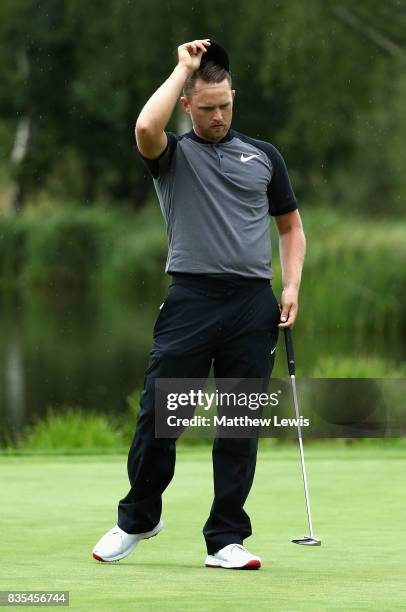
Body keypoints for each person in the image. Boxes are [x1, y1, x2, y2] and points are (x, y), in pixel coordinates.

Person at [92, 39, 306, 570]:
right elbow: (144, 129)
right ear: (187, 105)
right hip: (191, 298)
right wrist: (182, 68)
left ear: (235, 97)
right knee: (160, 417)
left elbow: (291, 228)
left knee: (238, 425)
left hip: (252, 304)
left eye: (225, 105)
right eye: (206, 107)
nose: (217, 116)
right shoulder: (173, 155)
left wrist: (291, 285)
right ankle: (138, 518)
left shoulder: (264, 156)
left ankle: (226, 538)